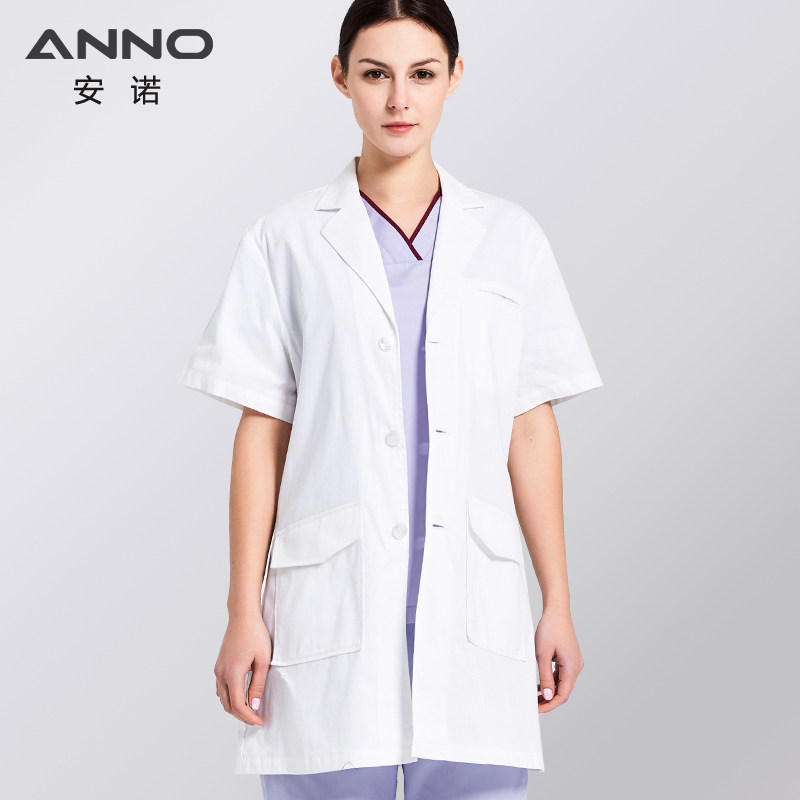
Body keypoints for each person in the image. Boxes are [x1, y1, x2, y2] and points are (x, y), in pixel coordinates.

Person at [180, 0, 603, 797]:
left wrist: (557, 601)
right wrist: (243, 610)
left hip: (475, 608)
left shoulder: (509, 238)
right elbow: (263, 432)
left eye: (422, 74)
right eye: (375, 74)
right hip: (329, 610)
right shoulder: (286, 239)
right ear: (340, 78)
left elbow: (529, 427)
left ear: (455, 78)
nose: (400, 100)